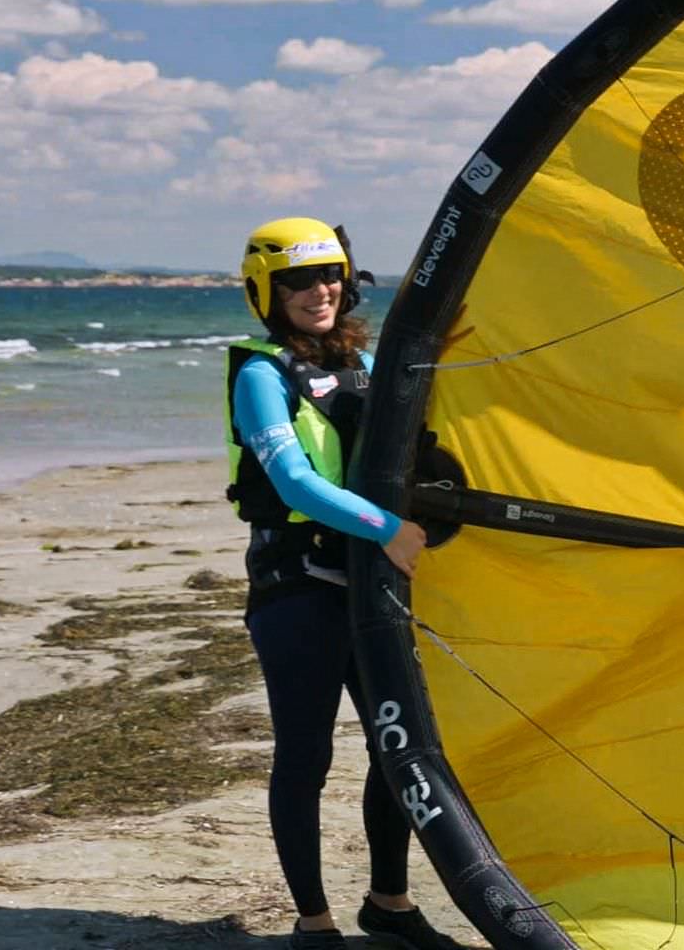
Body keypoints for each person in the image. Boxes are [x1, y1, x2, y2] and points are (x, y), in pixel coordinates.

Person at [227, 217, 457, 950]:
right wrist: (390, 531)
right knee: (308, 753)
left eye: (328, 275)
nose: (318, 291)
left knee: (401, 747)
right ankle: (313, 921)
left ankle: (389, 901)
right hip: (296, 586)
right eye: (297, 281)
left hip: (367, 583)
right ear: (267, 291)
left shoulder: (364, 364)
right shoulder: (261, 374)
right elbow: (292, 478)